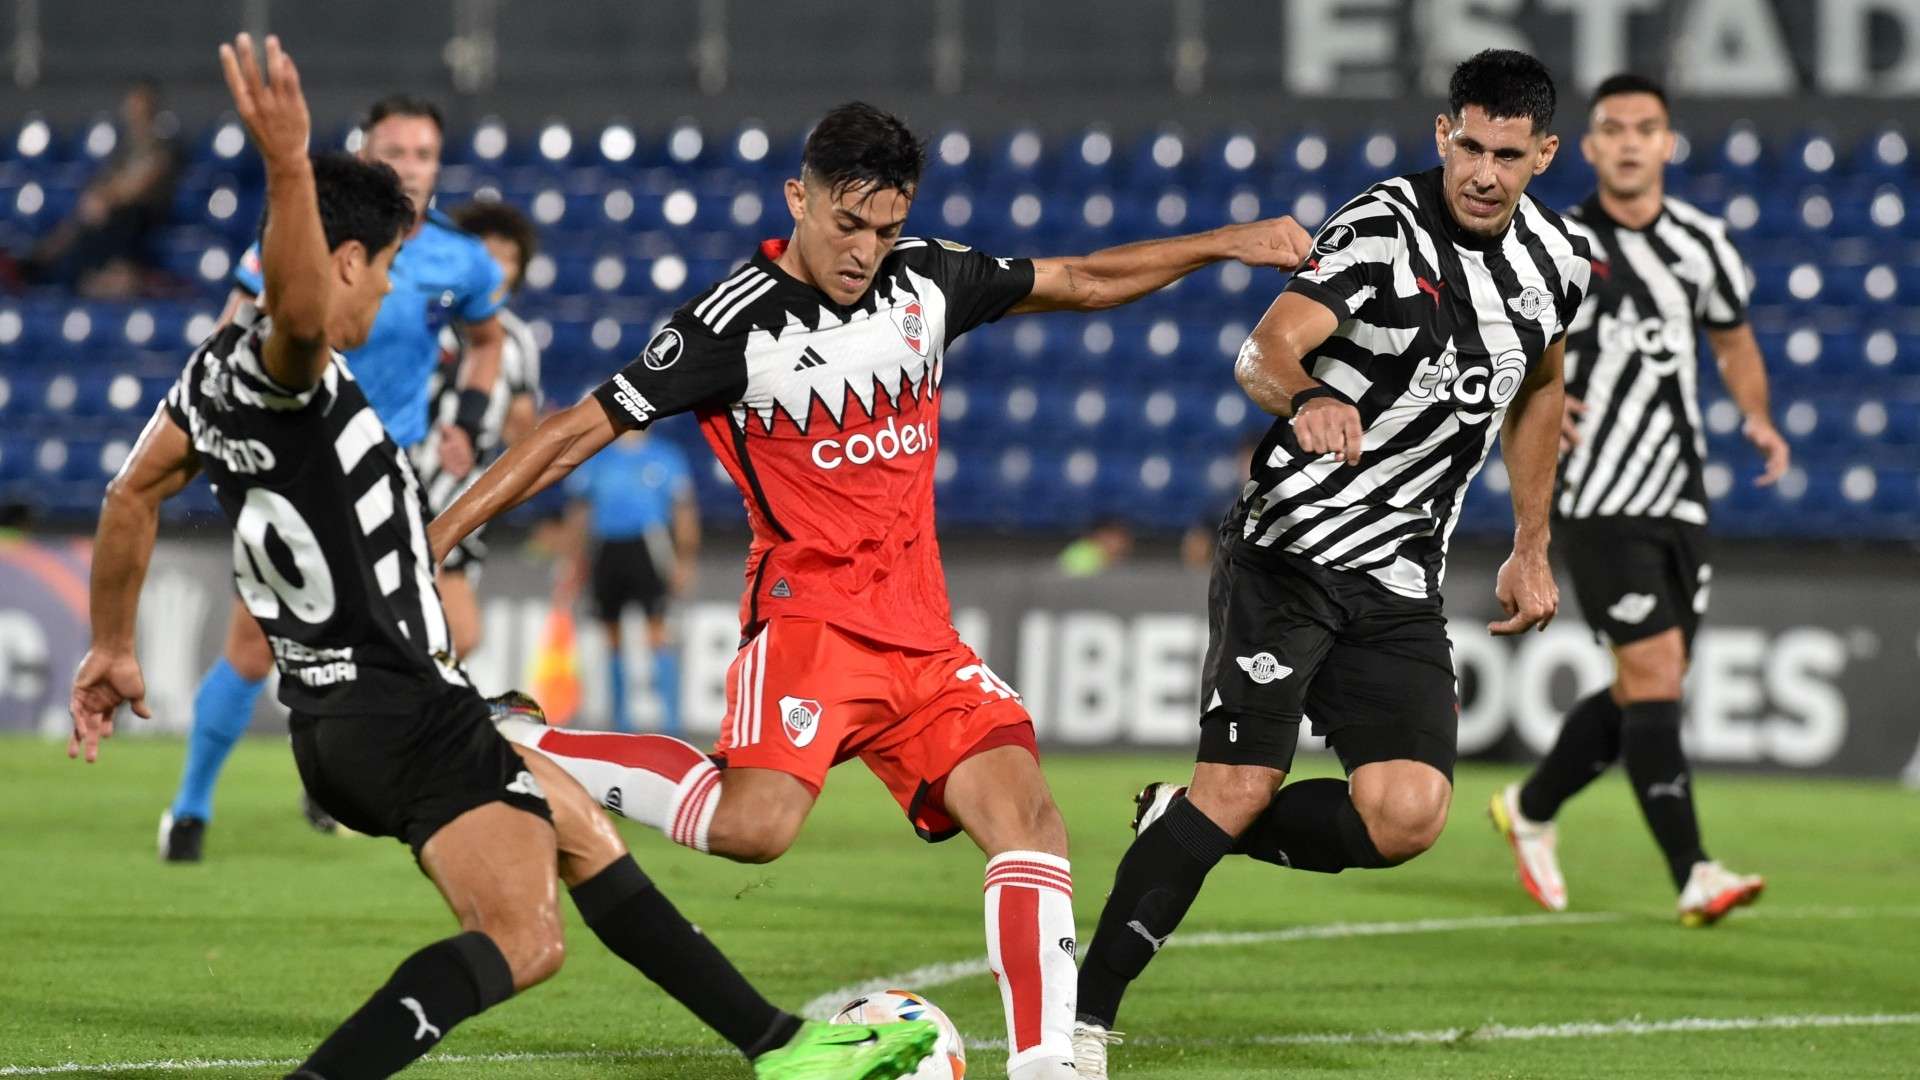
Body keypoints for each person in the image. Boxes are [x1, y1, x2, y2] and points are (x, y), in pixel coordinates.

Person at [67, 36, 937, 1080]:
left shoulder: (208, 379)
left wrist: (112, 644)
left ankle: (781, 1048)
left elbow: (130, 497)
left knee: (582, 833)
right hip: (398, 712)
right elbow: (301, 309)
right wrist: (290, 164)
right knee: (526, 940)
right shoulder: (288, 368)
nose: (387, 299)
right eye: (383, 272)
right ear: (343, 261)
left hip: (347, 715)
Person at [425, 101, 1312, 1080]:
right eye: (848, 224)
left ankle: (1047, 1064)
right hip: (809, 624)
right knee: (753, 831)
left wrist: (1226, 243)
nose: (865, 249)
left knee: (1027, 816)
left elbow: (1085, 280)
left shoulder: (927, 279)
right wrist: (436, 539)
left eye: (884, 228)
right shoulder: (735, 324)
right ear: (798, 198)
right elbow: (575, 427)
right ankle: (524, 740)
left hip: (922, 636)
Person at [1068, 50, 1594, 1077]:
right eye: (1469, 147)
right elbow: (1263, 350)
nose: (1483, 173)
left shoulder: (1557, 267)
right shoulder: (1378, 232)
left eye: (1508, 155)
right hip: (1293, 552)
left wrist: (1532, 545)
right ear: (1444, 136)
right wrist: (1308, 394)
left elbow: (1540, 392)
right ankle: (1082, 1024)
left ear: (1543, 155)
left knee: (1408, 815)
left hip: (1401, 580)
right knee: (1240, 785)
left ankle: (1181, 823)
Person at [162, 90, 511, 860]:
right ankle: (188, 810)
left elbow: (487, 342)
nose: (411, 168)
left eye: (424, 154)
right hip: (302, 466)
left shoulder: (462, 257)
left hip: (399, 472)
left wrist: (469, 419)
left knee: (451, 632)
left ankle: (344, 778)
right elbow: (235, 325)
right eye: (396, 152)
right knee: (254, 645)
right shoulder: (304, 237)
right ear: (363, 153)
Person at [1489, 73, 1786, 927]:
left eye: (1643, 128)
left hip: (1681, 499)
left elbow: (1731, 340)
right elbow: (1496, 331)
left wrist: (1758, 418)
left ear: (1666, 144)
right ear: (1586, 147)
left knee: (1644, 686)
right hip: (1591, 494)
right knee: (1654, 674)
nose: (1626, 141)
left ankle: (1532, 808)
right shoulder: (1550, 238)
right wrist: (1536, 389)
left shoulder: (1702, 243)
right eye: (1611, 128)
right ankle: (1694, 872)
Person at [411, 200, 545, 658]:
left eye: (509, 257)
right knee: (458, 633)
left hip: (471, 486)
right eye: (488, 253)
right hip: (417, 478)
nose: (499, 267)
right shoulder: (434, 318)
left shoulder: (519, 339)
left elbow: (521, 422)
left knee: (443, 634)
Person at [562, 427, 699, 733]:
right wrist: (573, 562)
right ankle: (620, 723)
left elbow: (683, 512)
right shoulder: (597, 457)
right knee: (612, 637)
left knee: (657, 634)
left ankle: (672, 726)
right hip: (605, 548)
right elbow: (579, 512)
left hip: (648, 546)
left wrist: (684, 559)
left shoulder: (665, 456)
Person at [18, 78, 181, 297]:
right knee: (84, 217)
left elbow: (140, 186)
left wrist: (107, 198)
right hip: (112, 218)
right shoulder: (124, 150)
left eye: (139, 106)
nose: (134, 112)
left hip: (139, 219)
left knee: (112, 217)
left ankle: (104, 274)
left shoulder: (163, 146)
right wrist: (98, 198)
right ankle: (44, 262)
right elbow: (104, 182)